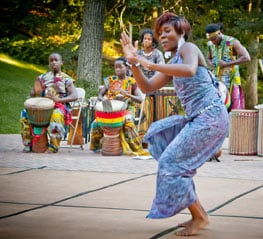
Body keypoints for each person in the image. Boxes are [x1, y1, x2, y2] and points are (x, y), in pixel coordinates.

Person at [120, 12, 229, 236]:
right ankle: (198, 214)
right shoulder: (173, 61)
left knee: (171, 163)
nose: (162, 36)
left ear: (181, 32)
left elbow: (189, 70)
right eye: (160, 33)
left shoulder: (187, 49)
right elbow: (148, 87)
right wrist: (133, 64)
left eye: (167, 31)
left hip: (210, 119)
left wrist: (147, 61)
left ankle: (200, 217)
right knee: (161, 143)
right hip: (199, 119)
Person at [89, 57, 149, 156]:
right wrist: (103, 99)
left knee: (129, 122)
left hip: (127, 108)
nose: (117, 69)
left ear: (127, 68)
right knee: (95, 123)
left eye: (120, 67)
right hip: (110, 109)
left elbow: (140, 99)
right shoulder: (110, 80)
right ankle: (97, 146)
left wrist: (127, 94)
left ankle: (134, 146)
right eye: (116, 67)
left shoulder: (131, 81)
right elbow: (100, 95)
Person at [20, 52, 78, 153]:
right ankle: (28, 143)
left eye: (56, 60)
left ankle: (53, 146)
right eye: (51, 60)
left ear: (61, 63)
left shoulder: (66, 79)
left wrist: (58, 100)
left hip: (60, 107)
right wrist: (34, 92)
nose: (53, 62)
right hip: (42, 107)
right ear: (49, 64)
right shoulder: (42, 77)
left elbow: (74, 96)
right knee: (24, 113)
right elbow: (33, 93)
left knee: (56, 114)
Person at [205, 23, 250, 111]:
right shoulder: (210, 44)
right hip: (217, 82)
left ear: (219, 33)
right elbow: (208, 58)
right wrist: (211, 64)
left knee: (233, 109)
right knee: (217, 108)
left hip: (232, 80)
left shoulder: (231, 42)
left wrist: (227, 64)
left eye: (214, 39)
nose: (213, 42)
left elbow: (246, 58)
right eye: (211, 40)